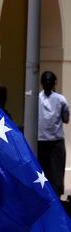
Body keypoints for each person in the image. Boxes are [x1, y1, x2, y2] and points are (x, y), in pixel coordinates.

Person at [38, 71, 69, 200]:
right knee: (53, 174)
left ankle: (51, 199)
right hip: (46, 141)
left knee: (50, 174)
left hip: (51, 142)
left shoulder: (36, 98)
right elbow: (66, 119)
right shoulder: (61, 99)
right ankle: (53, 199)